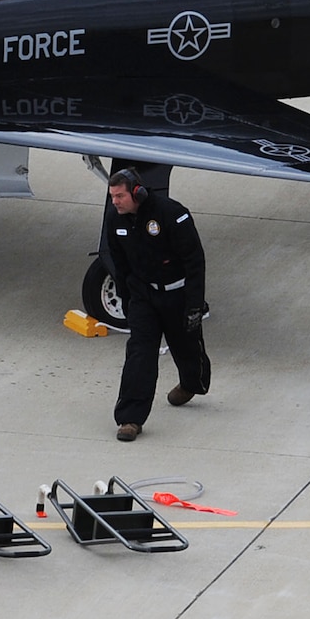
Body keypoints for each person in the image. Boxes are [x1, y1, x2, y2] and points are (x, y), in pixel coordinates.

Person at [103, 167, 209, 441]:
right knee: (140, 352)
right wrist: (128, 301)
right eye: (112, 196)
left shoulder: (171, 213)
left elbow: (194, 261)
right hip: (143, 296)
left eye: (119, 196)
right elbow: (120, 265)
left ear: (137, 192)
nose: (114, 202)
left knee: (186, 346)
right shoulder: (116, 220)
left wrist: (195, 304)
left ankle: (191, 383)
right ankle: (130, 418)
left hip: (178, 294)